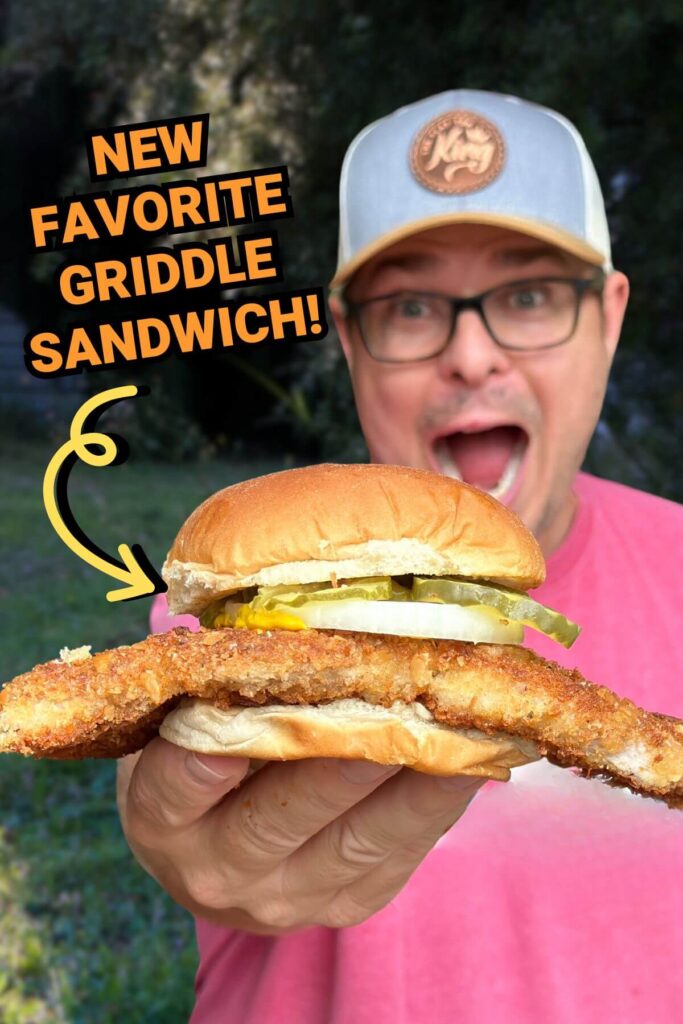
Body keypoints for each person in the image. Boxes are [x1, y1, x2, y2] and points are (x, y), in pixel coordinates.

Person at [117, 90, 683, 1023]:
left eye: (530, 294)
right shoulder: (261, 573)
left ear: (609, 318)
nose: (469, 356)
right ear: (349, 339)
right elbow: (165, 734)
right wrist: (169, 827)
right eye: (412, 306)